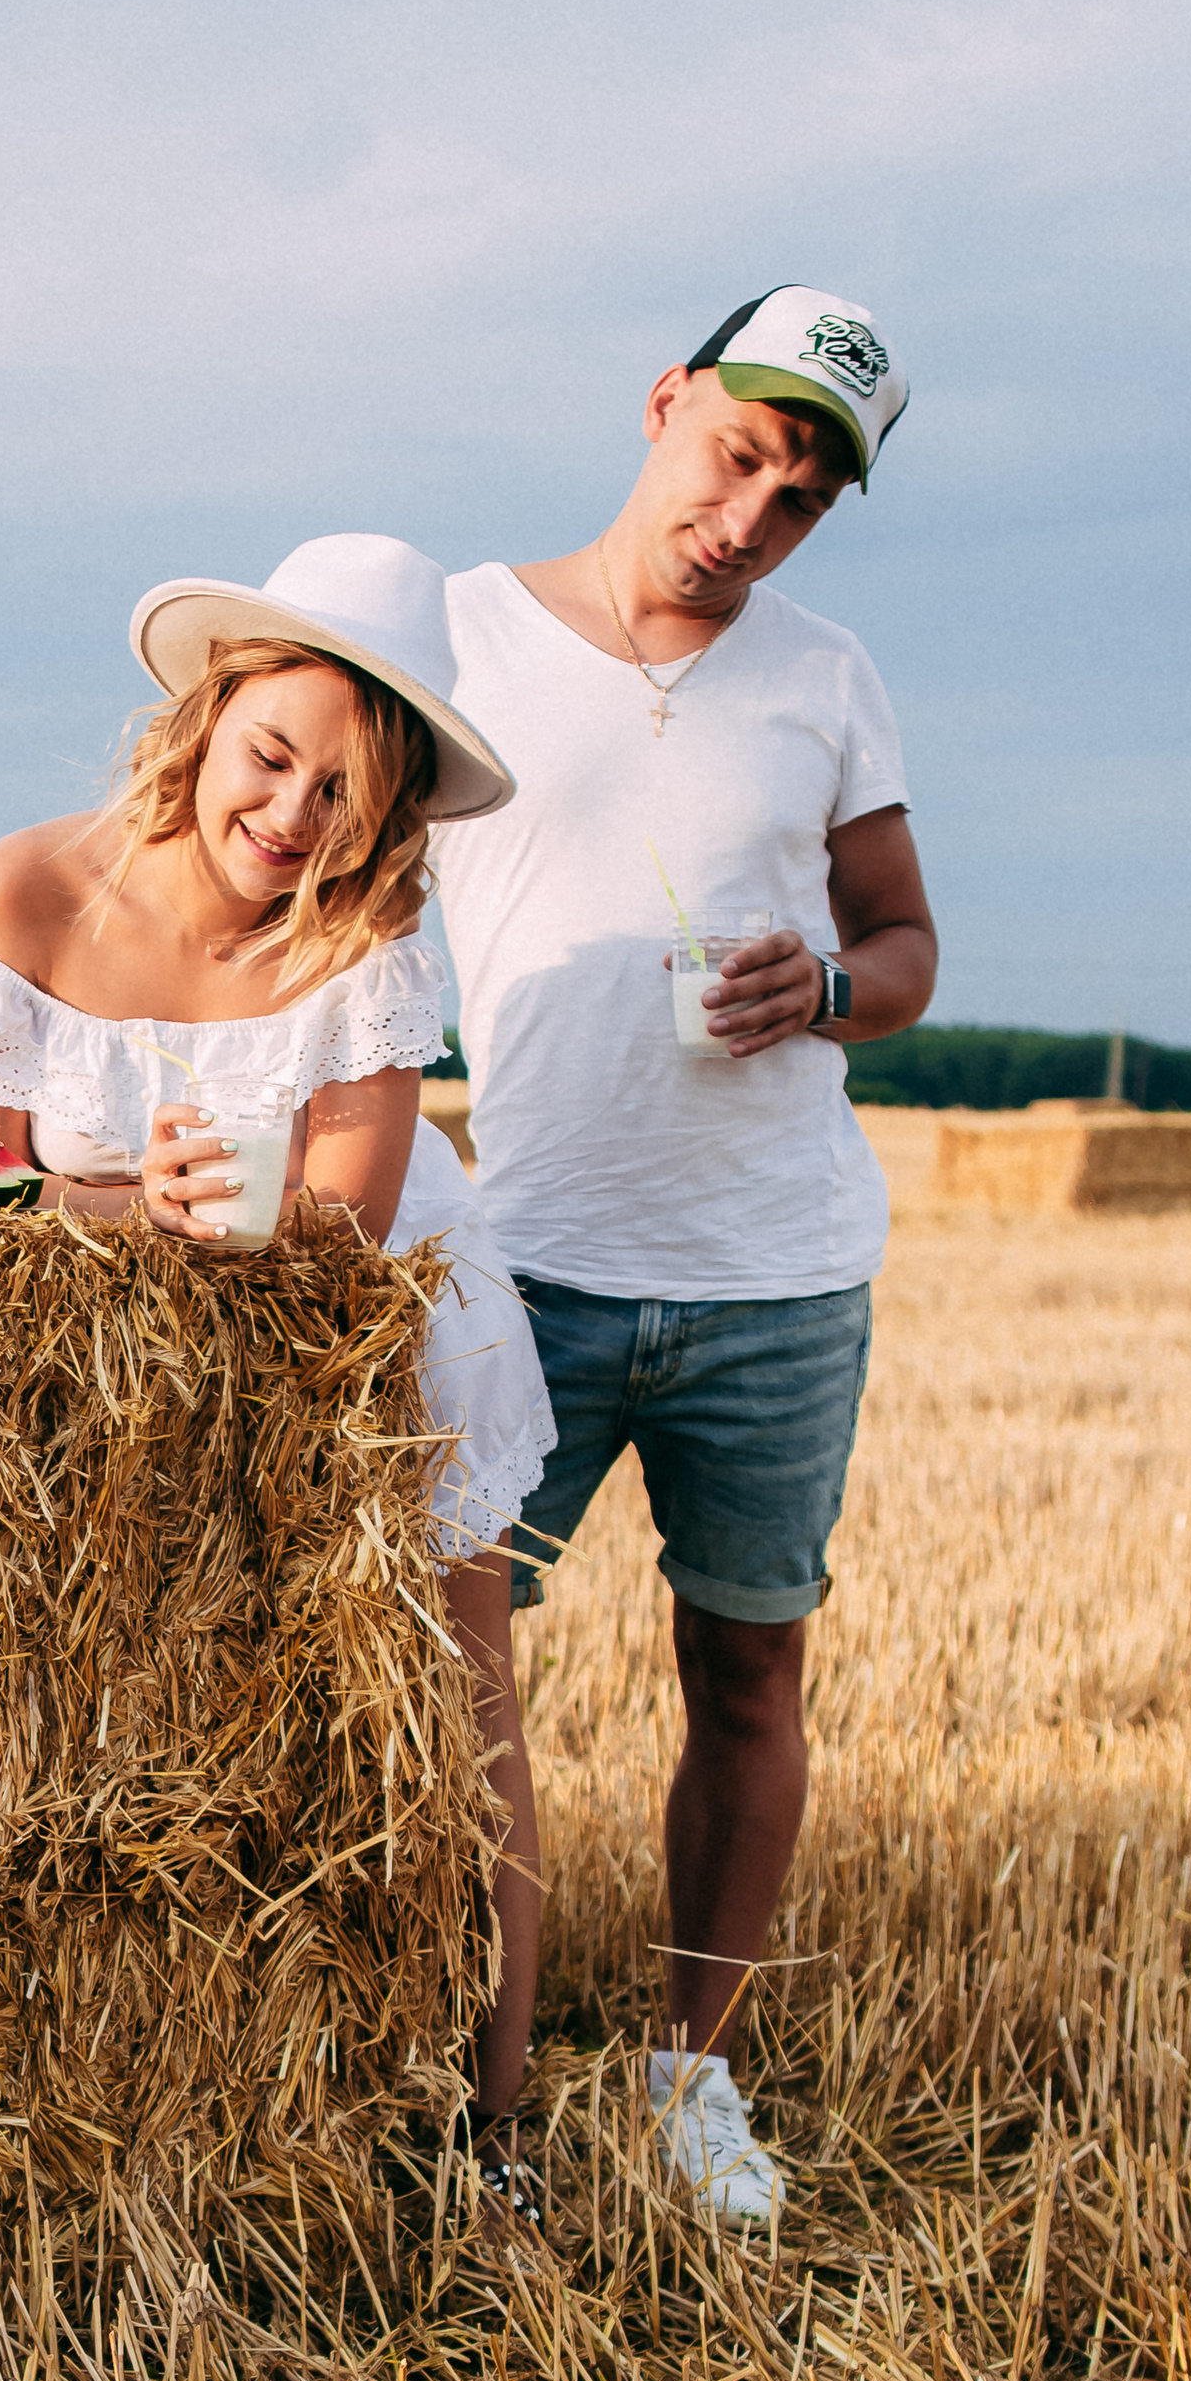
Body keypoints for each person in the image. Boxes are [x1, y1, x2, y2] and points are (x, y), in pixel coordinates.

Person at [0, 535, 557, 2173]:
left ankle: (499, 2110)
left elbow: (348, 1221)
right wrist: (128, 1209)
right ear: (209, 711)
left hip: (375, 1340)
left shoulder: (366, 938)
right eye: (273, 756)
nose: (293, 818)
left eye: (347, 793)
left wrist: (234, 1231)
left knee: (469, 1707)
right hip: (114, 1365)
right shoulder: (24, 895)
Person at [419, 289, 939, 2224]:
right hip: (526, 1267)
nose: (751, 514)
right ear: (664, 402)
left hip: (777, 1275)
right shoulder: (462, 636)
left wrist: (820, 984)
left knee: (745, 1672)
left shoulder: (829, 677)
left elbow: (905, 944)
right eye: (740, 453)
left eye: (801, 497)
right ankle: (472, 2084)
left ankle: (683, 2081)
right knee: (441, 1696)